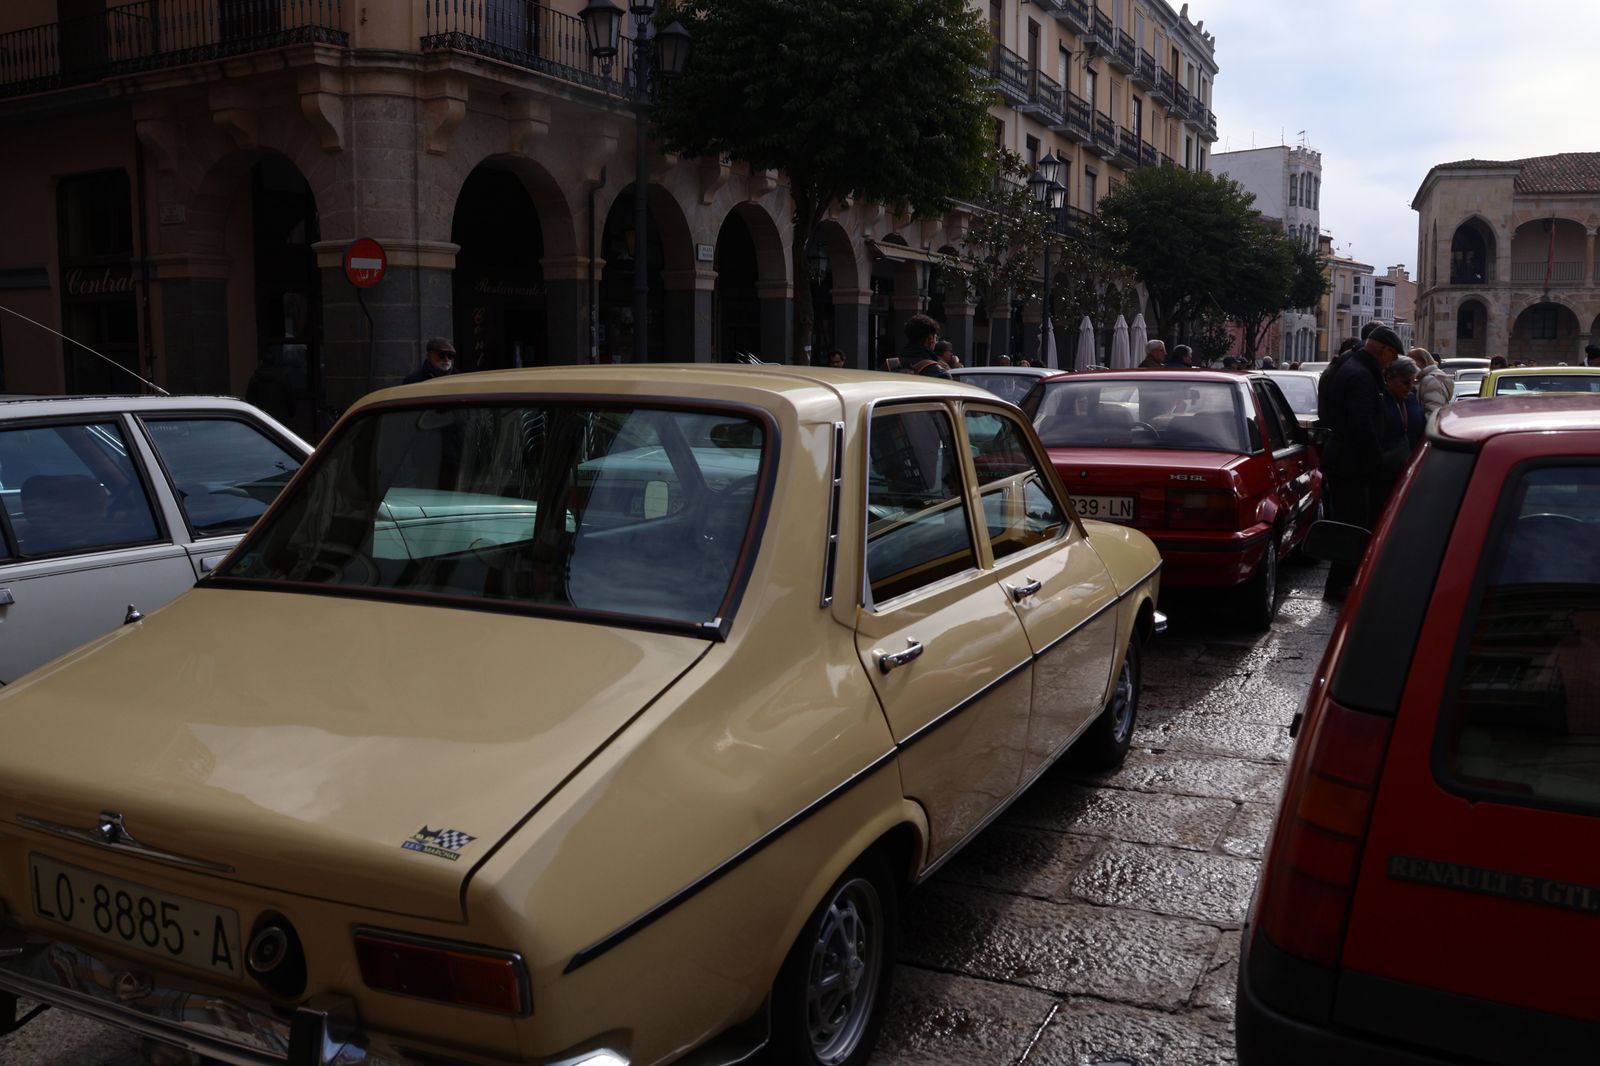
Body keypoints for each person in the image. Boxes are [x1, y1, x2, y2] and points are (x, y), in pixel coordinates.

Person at [1320, 324, 1406, 602]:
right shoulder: (1361, 375)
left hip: (1345, 457)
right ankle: (1340, 585)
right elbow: (1362, 424)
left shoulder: (1352, 364)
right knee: (1353, 524)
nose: (1390, 363)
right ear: (1382, 349)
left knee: (1352, 522)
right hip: (1351, 461)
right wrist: (1377, 459)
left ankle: (1342, 582)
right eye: (1391, 357)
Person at [1377, 355, 1423, 501]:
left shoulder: (1409, 399)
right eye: (1405, 382)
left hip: (1405, 470)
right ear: (1389, 379)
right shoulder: (1381, 403)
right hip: (1386, 474)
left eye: (1412, 382)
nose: (1410, 387)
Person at [881, 313, 951, 378]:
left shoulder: (888, 366)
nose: (936, 341)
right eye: (936, 338)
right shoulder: (940, 373)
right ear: (930, 339)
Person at [1409, 347, 1450, 418]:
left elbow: (1433, 413)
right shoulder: (1424, 378)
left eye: (1411, 362)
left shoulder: (1431, 380)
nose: (1408, 366)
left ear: (1421, 362)